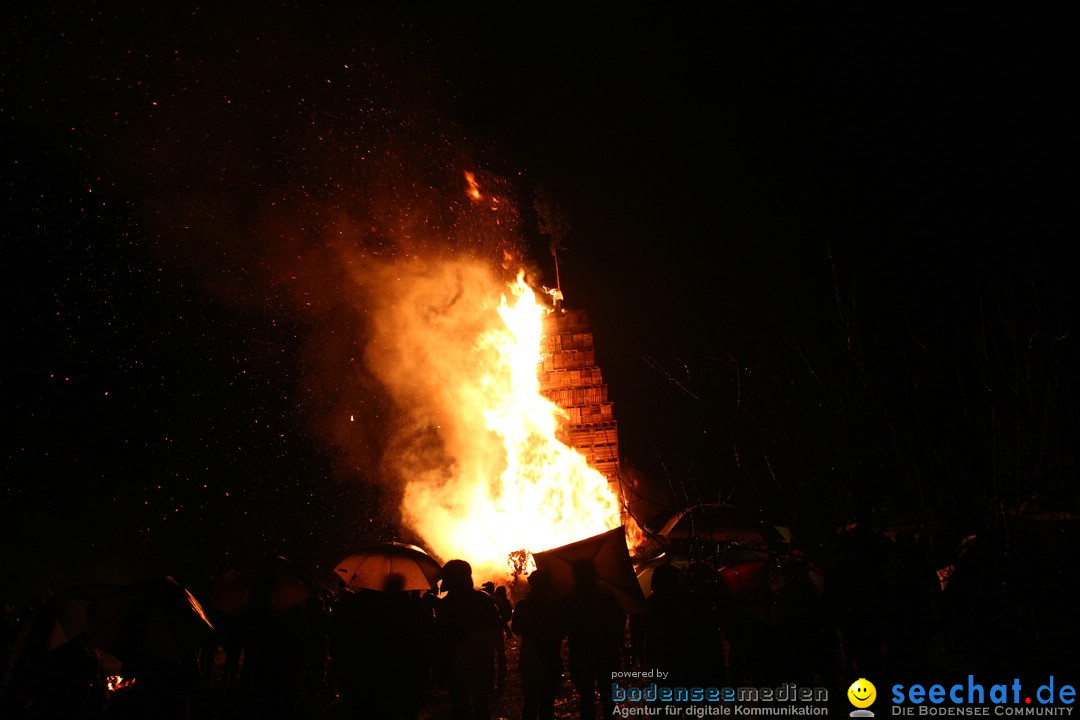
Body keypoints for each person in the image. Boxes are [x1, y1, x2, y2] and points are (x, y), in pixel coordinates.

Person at [434, 560, 507, 720]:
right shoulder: (483, 600)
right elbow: (497, 635)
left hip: (457, 668)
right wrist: (502, 669)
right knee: (482, 708)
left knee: (462, 710)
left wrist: (439, 669)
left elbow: (440, 640)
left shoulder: (445, 606)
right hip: (481, 666)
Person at [564, 559, 625, 720]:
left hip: (583, 651)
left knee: (587, 695)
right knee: (607, 694)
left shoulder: (573, 596)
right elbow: (618, 619)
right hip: (605, 651)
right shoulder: (605, 593)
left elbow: (567, 623)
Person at [511, 570, 564, 720]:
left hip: (530, 657)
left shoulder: (522, 606)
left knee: (530, 702)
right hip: (550, 656)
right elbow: (561, 630)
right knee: (547, 704)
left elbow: (516, 629)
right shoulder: (555, 606)